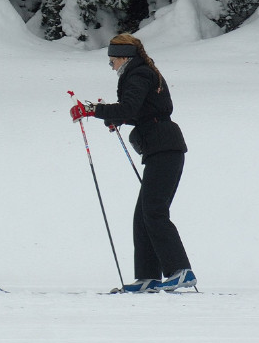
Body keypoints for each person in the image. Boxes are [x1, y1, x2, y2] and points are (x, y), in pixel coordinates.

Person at [78, 33, 194, 293]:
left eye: (112, 60)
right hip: (162, 148)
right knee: (143, 215)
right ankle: (148, 277)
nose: (111, 66)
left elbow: (129, 108)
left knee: (153, 211)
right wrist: (115, 118)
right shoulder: (141, 72)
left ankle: (181, 271)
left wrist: (94, 110)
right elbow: (143, 111)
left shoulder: (139, 74)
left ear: (124, 57)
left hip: (164, 149)